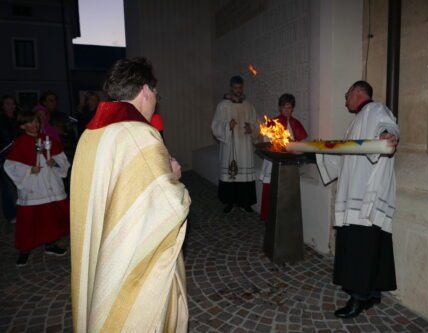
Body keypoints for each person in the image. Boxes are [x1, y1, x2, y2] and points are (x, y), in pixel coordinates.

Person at [70, 57, 190, 332]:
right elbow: (168, 203)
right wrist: (173, 176)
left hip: (102, 242)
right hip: (132, 257)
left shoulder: (91, 133)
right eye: (156, 95)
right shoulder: (140, 134)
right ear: (145, 90)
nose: (156, 101)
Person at [316, 80, 399, 318]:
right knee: (371, 244)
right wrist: (321, 152)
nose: (345, 101)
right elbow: (348, 155)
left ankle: (358, 298)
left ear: (357, 92)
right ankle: (372, 293)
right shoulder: (358, 119)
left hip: (365, 193)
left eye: (347, 95)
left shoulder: (375, 110)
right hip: (357, 191)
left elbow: (388, 126)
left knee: (361, 246)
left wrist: (387, 135)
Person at [4, 110, 70, 266]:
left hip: (50, 183)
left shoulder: (48, 140)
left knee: (50, 216)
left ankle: (50, 244)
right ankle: (25, 250)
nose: (34, 125)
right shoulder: (19, 143)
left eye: (36, 122)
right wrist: (28, 170)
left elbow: (62, 159)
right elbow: (10, 165)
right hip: (32, 186)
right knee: (29, 219)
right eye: (30, 122)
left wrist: (55, 162)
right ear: (22, 126)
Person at [211, 75, 258, 213]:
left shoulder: (248, 106)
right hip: (230, 144)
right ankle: (230, 202)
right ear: (231, 88)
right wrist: (227, 126)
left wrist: (252, 129)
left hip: (244, 146)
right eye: (235, 87)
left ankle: (245, 203)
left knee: (244, 174)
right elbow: (215, 126)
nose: (238, 90)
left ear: (242, 88)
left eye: (240, 87)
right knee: (230, 175)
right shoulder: (223, 105)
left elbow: (257, 124)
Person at [259, 93, 308, 220]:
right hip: (273, 161)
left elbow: (301, 142)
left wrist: (295, 146)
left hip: (290, 162)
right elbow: (266, 140)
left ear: (293, 108)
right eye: (284, 107)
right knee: (272, 189)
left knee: (287, 190)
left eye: (289, 107)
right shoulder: (272, 123)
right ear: (280, 108)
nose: (287, 110)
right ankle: (269, 217)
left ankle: (286, 218)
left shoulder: (296, 123)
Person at [0, 95, 20, 224]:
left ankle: (22, 211)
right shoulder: (1, 119)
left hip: (17, 156)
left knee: (19, 186)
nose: (11, 106)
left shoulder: (17, 119)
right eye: (7, 103)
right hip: (4, 156)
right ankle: (10, 214)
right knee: (7, 187)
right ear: (2, 105)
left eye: (12, 103)